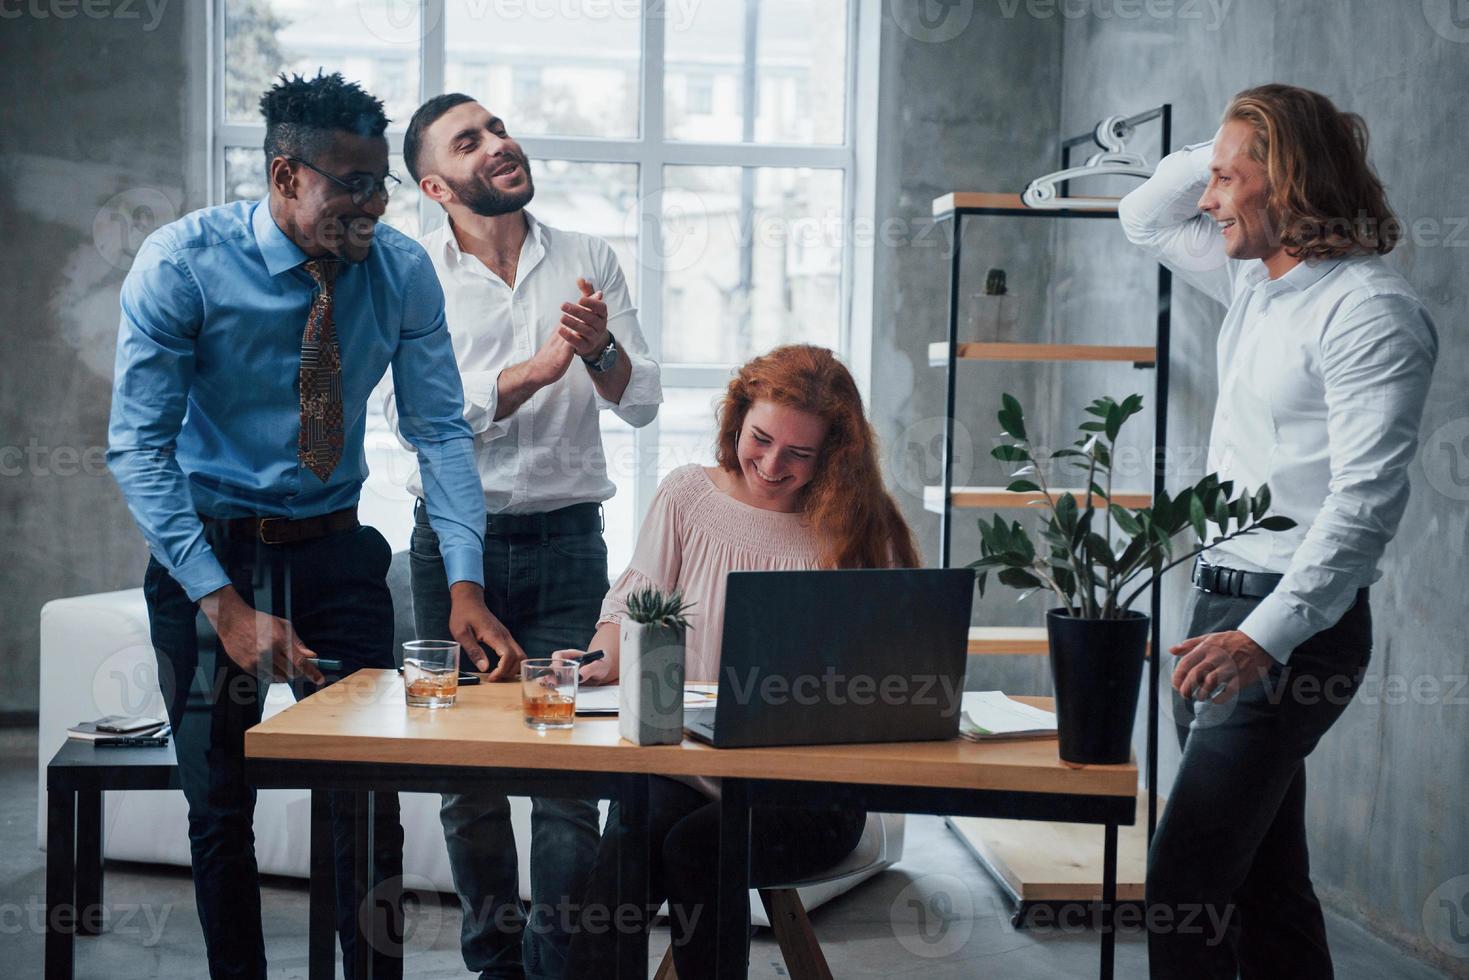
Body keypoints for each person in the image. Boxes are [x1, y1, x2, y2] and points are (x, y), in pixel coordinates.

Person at [107, 71, 520, 980]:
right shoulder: (181, 265)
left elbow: (440, 431)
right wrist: (224, 608)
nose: (373, 204)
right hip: (209, 558)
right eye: (350, 184)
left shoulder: (401, 272)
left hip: (336, 555)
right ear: (287, 174)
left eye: (382, 183)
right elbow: (137, 450)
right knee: (219, 809)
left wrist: (462, 582)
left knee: (368, 805)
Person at [1118, 84, 1438, 979]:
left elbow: (1363, 507)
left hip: (1289, 635)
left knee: (1183, 888)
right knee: (1263, 883)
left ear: (1288, 182)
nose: (1207, 199)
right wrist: (1225, 144)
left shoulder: (1367, 311)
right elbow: (1140, 216)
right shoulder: (1253, 282)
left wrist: (1261, 641)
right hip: (1215, 600)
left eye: (1226, 180)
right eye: (1209, 180)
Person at [386, 93, 662, 980]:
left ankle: (557, 971)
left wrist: (598, 352)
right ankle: (494, 966)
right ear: (436, 184)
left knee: (568, 779)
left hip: (570, 544)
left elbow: (642, 397)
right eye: (471, 141)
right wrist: (542, 367)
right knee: (467, 785)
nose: (499, 144)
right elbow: (412, 418)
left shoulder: (588, 258)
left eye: (497, 128)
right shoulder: (409, 271)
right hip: (450, 553)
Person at [560, 344, 920, 977]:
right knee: (634, 837)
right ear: (737, 421)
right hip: (686, 765)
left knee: (700, 845)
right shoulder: (686, 498)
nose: (772, 466)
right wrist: (597, 660)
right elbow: (628, 611)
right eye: (761, 439)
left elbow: (893, 677)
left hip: (808, 796)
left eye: (799, 454)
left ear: (834, 455)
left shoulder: (860, 531)